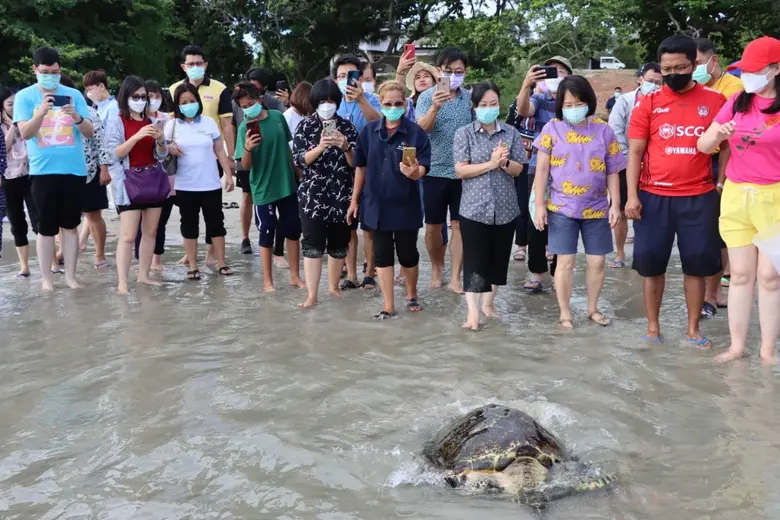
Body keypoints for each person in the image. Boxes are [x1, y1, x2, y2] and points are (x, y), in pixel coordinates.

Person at [625, 35, 726, 347]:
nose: (673, 74)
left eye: (680, 67)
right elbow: (635, 153)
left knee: (696, 265)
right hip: (654, 197)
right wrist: (631, 196)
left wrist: (720, 184)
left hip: (699, 197)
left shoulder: (715, 102)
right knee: (651, 265)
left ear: (693, 65)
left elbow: (726, 148)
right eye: (666, 69)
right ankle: (653, 329)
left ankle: (693, 329)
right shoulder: (648, 103)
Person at [697, 36, 780, 362]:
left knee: (770, 278)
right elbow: (704, 146)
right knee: (741, 275)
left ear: (776, 69)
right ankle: (736, 347)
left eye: (756, 70)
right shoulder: (737, 101)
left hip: (774, 198)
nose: (748, 77)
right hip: (737, 195)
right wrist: (718, 135)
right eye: (745, 70)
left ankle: (767, 351)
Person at [533, 76, 625, 329]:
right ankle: (565, 313)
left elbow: (613, 170)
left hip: (597, 208)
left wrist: (615, 204)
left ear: (589, 102)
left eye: (579, 103)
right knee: (565, 262)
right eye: (568, 105)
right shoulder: (551, 129)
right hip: (562, 207)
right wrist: (539, 206)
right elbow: (541, 171)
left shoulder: (604, 131)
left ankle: (592, 309)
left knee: (597, 261)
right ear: (560, 106)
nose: (573, 109)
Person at [13, 46, 94, 292]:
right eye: (46, 72)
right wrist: (41, 113)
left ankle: (70, 277)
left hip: (74, 170)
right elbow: (25, 133)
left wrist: (76, 117)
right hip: (42, 172)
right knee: (45, 228)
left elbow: (89, 132)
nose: (51, 76)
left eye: (55, 72)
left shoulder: (73, 95)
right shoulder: (25, 97)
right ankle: (46, 279)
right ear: (35, 70)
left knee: (70, 225)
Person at [348, 81, 431, 318]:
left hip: (406, 204)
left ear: (405, 104)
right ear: (381, 104)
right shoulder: (369, 132)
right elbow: (360, 168)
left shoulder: (415, 132)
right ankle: (388, 305)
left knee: (408, 254)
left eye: (397, 103)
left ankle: (412, 294)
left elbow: (424, 166)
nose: (393, 108)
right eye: (388, 103)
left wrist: (416, 172)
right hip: (376, 204)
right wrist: (354, 200)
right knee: (382, 256)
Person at [454, 82, 527, 330]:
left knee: (498, 261)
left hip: (506, 208)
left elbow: (519, 169)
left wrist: (504, 163)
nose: (488, 108)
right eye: (483, 104)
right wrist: (490, 164)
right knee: (475, 263)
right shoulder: (464, 133)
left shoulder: (510, 133)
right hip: (474, 208)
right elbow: (460, 170)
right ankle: (473, 314)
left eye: (493, 103)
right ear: (474, 106)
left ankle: (488, 304)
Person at [292, 79, 358, 308]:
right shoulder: (305, 126)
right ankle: (312, 295)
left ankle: (333, 287)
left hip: (341, 194)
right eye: (322, 101)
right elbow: (299, 160)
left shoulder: (347, 127)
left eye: (331, 100)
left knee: (339, 244)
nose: (327, 105)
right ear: (314, 102)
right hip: (313, 196)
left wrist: (346, 146)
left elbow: (356, 163)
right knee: (312, 245)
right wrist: (320, 147)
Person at [233, 81, 304, 292]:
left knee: (293, 230)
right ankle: (267, 282)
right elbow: (245, 165)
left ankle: (295, 276)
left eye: (251, 104)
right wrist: (248, 148)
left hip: (287, 184)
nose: (248, 109)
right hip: (263, 188)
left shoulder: (278, 117)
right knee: (266, 232)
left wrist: (299, 174)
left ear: (260, 99)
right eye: (244, 107)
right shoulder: (244, 128)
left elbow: (288, 149)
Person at [416, 46, 475, 293]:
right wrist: (435, 107)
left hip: (462, 172)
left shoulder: (469, 98)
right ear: (439, 70)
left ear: (465, 72)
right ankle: (437, 266)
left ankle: (455, 277)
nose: (453, 75)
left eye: (458, 71)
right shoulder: (426, 97)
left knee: (460, 226)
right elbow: (421, 129)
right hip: (433, 171)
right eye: (448, 70)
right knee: (432, 227)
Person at [170, 45, 235, 266]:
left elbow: (227, 125)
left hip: (212, 157)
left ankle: (211, 253)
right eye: (191, 64)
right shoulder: (173, 89)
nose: (195, 67)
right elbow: (168, 125)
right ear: (183, 66)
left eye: (199, 63)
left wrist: (230, 158)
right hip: (184, 164)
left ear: (205, 64)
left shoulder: (219, 88)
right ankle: (190, 254)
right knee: (189, 214)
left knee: (213, 212)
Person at [512, 56, 573, 292]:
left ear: (569, 76)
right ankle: (537, 271)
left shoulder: (576, 100)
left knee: (564, 219)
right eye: (551, 71)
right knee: (535, 219)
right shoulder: (540, 98)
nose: (555, 75)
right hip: (539, 168)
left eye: (561, 71)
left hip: (570, 170)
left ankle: (559, 271)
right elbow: (523, 109)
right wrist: (526, 84)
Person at [694, 38, 746, 317]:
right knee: (702, 229)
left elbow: (728, 141)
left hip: (724, 161)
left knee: (719, 229)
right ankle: (710, 291)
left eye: (698, 63)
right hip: (696, 159)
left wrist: (721, 180)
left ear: (713, 61)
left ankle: (714, 292)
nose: (694, 69)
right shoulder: (693, 87)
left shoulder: (734, 89)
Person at [105, 75, 168, 295]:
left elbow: (161, 156)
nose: (141, 100)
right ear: (125, 97)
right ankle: (122, 283)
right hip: (128, 183)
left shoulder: (150, 121)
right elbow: (114, 153)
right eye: (136, 96)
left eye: (144, 97)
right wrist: (136, 137)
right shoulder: (117, 121)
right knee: (128, 236)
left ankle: (144, 275)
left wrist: (161, 140)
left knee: (150, 232)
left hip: (153, 180)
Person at [332, 55, 382, 291]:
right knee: (347, 225)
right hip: (342, 171)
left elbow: (379, 123)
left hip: (371, 169)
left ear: (360, 78)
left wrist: (361, 99)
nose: (346, 80)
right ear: (335, 80)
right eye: (341, 76)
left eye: (350, 75)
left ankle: (370, 272)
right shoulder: (333, 104)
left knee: (369, 226)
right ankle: (351, 275)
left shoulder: (372, 100)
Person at [608, 62, 663, 268]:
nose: (654, 85)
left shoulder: (664, 102)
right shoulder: (625, 101)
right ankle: (620, 253)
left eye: (658, 82)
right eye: (650, 81)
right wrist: (630, 159)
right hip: (624, 163)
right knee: (622, 209)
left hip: (654, 165)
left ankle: (644, 252)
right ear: (640, 79)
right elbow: (615, 131)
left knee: (648, 211)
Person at [56, 75, 111, 271]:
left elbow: (101, 141)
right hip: (59, 171)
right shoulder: (46, 115)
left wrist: (104, 168)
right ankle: (65, 251)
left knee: (93, 214)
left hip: (89, 169)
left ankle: (100, 255)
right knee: (62, 216)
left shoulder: (88, 112)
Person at [233, 67, 288, 259]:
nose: (249, 106)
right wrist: (237, 154)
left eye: (256, 88)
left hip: (273, 162)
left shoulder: (274, 105)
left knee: (280, 208)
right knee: (248, 196)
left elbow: (284, 131)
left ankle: (277, 247)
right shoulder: (237, 103)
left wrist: (288, 102)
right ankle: (245, 237)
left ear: (262, 91)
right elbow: (232, 125)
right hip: (247, 154)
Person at [132, 80, 174, 270]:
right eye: (150, 96)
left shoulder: (167, 119)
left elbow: (172, 143)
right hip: (138, 177)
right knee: (138, 223)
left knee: (160, 222)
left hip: (164, 177)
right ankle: (141, 260)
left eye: (158, 96)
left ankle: (156, 259)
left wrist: (167, 144)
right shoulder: (134, 119)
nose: (154, 100)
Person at [1, 87, 39, 278]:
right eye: (10, 104)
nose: (14, 107)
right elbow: (4, 147)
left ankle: (52, 264)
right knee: (17, 224)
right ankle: (24, 267)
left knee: (39, 221)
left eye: (16, 103)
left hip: (30, 175)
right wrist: (13, 126)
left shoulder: (28, 120)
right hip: (8, 180)